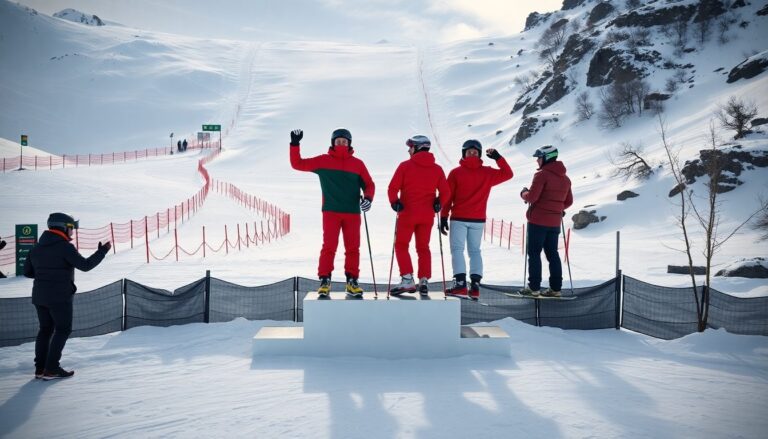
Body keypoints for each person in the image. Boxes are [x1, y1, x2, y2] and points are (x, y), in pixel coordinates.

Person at [23, 213, 111, 380]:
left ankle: (40, 369)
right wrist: (102, 252)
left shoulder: (36, 247)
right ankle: (51, 369)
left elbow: (27, 272)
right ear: (63, 227)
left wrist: (45, 274)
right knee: (62, 329)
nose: (72, 232)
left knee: (45, 330)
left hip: (40, 296)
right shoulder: (65, 247)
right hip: (60, 297)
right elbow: (85, 266)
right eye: (71, 228)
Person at [289, 128, 375, 297]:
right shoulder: (323, 161)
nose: (341, 144)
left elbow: (369, 184)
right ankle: (324, 280)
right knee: (329, 247)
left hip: (352, 212)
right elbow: (297, 163)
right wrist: (295, 144)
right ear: (332, 143)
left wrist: (368, 198)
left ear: (349, 143)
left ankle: (352, 281)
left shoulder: (357, 164)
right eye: (338, 141)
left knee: (353, 248)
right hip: (331, 212)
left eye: (344, 141)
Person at [441, 140, 513, 300]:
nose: (472, 154)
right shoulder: (487, 173)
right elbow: (508, 174)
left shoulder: (455, 173)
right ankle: (474, 286)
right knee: (475, 251)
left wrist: (444, 216)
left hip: (459, 218)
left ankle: (460, 285)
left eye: (473, 152)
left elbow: (447, 197)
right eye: (471, 152)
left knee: (457, 250)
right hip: (478, 220)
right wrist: (498, 158)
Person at [388, 135, 450, 296]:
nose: (409, 150)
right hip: (427, 215)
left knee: (401, 245)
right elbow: (446, 192)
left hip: (407, 214)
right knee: (423, 248)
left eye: (410, 147)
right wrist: (439, 202)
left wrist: (395, 202)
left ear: (416, 147)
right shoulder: (437, 169)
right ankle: (423, 280)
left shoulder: (405, 166)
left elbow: (392, 188)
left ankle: (407, 280)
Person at [519, 145, 572, 297]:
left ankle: (534, 288)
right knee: (552, 254)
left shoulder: (542, 175)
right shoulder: (566, 179)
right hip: (554, 223)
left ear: (547, 157)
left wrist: (523, 193)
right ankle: (555, 289)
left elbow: (532, 197)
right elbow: (568, 201)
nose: (537, 160)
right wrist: (555, 209)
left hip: (537, 221)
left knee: (534, 253)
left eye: (539, 157)